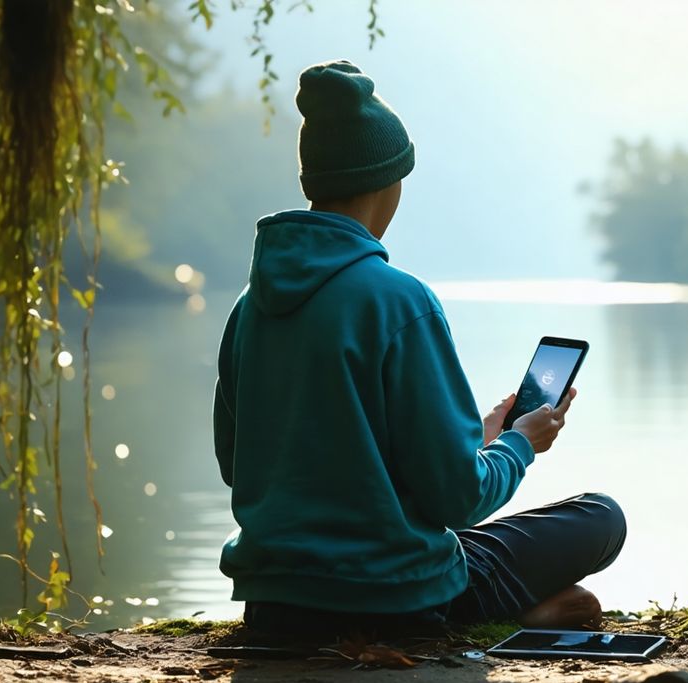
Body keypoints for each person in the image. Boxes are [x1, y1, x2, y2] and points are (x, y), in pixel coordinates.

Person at [212, 59, 626, 638]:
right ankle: (508, 612)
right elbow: (459, 499)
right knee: (601, 518)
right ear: (389, 180)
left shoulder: (249, 306)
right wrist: (519, 444)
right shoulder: (401, 301)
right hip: (392, 598)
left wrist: (478, 438)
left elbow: (239, 464)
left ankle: (519, 606)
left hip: (275, 602)